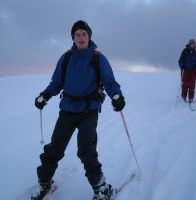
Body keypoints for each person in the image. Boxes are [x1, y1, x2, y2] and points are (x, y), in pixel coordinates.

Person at [31, 20, 125, 200]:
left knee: (86, 149)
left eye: (84, 34)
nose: (81, 37)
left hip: (89, 110)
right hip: (67, 108)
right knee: (55, 148)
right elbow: (57, 82)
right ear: (73, 38)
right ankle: (44, 183)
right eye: (77, 35)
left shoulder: (98, 58)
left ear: (89, 36)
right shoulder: (66, 58)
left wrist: (117, 96)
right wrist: (45, 95)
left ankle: (101, 188)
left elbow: (110, 82)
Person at [178, 39, 196, 103]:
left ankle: (191, 98)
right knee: (185, 84)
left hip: (193, 71)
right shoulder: (185, 51)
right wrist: (182, 66)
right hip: (186, 70)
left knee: (192, 85)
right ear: (190, 44)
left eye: (194, 44)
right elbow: (180, 60)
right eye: (192, 44)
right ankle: (183, 96)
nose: (193, 45)